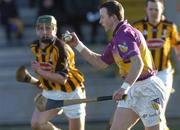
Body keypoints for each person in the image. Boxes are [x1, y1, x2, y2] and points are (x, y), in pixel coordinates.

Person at [66, 1, 168, 130]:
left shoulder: (124, 34)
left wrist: (123, 88)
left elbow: (138, 64)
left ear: (113, 17)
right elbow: (100, 63)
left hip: (149, 89)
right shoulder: (117, 37)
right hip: (132, 88)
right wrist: (77, 45)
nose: (100, 21)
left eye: (103, 17)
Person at [30, 15, 86, 130]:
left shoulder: (62, 49)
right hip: (51, 91)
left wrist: (39, 71)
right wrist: (41, 81)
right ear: (36, 30)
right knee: (37, 124)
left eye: (48, 28)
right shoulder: (35, 46)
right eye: (41, 28)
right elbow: (47, 69)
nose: (45, 32)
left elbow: (62, 79)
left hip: (71, 93)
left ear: (55, 30)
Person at [133, 0, 180, 130]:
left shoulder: (169, 26)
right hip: (145, 74)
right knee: (155, 110)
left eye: (156, 9)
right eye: (151, 9)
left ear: (162, 9)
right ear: (146, 9)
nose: (154, 12)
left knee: (158, 108)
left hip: (163, 72)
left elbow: (177, 44)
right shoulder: (137, 26)